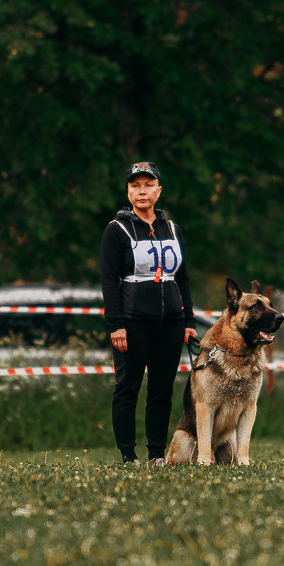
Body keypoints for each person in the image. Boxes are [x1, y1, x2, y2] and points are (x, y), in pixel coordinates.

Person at [100, 161, 198, 465]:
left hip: (170, 321)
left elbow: (181, 278)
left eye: (147, 185)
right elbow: (108, 280)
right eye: (135, 186)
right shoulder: (116, 230)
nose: (141, 191)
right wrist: (116, 325)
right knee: (127, 388)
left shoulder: (171, 228)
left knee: (161, 390)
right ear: (128, 192)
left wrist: (189, 321)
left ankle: (157, 454)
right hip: (132, 321)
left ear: (158, 191)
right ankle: (128, 456)